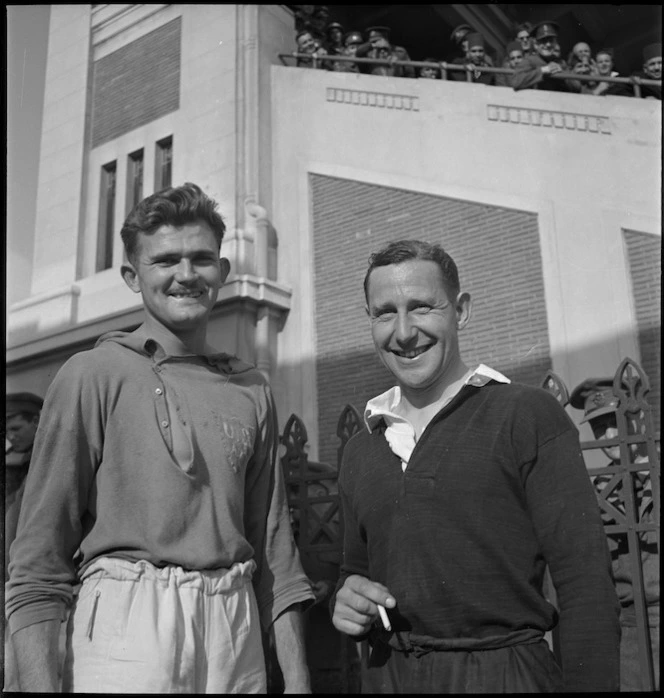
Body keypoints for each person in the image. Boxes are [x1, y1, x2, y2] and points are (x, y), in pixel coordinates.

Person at [5, 182, 315, 693]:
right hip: (125, 623)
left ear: (223, 271)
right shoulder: (91, 374)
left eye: (201, 258)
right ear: (132, 275)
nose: (186, 275)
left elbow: (275, 550)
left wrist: (299, 681)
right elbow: (39, 559)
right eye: (166, 260)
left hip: (233, 629)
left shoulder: (251, 388)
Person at [331, 239, 620, 693]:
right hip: (389, 678)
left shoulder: (526, 416)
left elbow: (586, 584)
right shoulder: (361, 447)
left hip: (506, 677)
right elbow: (355, 571)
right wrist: (347, 598)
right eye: (384, 312)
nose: (403, 332)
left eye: (422, 307)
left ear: (461, 310)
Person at [570, 378, 660, 692]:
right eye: (598, 427)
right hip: (629, 623)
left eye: (615, 421)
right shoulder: (599, 488)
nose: (608, 435)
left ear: (635, 416)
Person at [3, 393, 43, 693]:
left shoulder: (43, 463)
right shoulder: (14, 466)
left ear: (36, 421)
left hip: (31, 581)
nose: (11, 437)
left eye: (16, 428)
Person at [512, 21, 574, 92]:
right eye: (543, 41)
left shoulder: (561, 62)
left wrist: (562, 73)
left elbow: (576, 87)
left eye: (551, 41)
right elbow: (516, 82)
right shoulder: (529, 61)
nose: (548, 45)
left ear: (555, 43)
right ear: (536, 44)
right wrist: (543, 70)